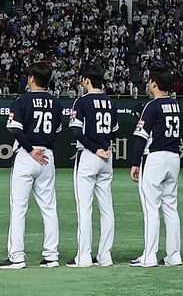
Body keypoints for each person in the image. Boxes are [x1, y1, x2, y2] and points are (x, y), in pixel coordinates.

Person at [1, 62, 63, 269]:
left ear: (31, 79)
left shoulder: (22, 101)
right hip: (47, 155)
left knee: (19, 208)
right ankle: (52, 255)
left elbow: (16, 130)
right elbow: (57, 130)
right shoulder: (56, 103)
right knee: (49, 207)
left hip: (27, 156)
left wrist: (29, 150)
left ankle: (17, 257)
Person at [130, 70, 183, 267]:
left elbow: (141, 137)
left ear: (154, 83)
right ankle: (174, 255)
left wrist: (135, 163)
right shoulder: (176, 105)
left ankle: (149, 256)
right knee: (170, 207)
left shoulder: (152, 106)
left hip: (155, 158)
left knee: (151, 209)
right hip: (174, 158)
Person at [69, 69, 116, 267]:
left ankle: (84, 256)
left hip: (89, 156)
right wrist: (105, 148)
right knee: (106, 208)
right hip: (106, 158)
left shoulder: (82, 101)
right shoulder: (110, 102)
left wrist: (95, 149)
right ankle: (105, 256)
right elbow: (114, 131)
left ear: (87, 81)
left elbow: (76, 131)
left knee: (85, 208)